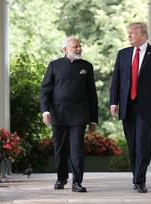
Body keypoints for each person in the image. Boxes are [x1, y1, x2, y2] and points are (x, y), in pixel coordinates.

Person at [110, 22, 151, 193]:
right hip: (127, 106)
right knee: (132, 144)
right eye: (128, 33)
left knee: (142, 142)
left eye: (132, 33)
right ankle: (136, 175)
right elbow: (116, 81)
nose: (129, 36)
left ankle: (139, 180)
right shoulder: (123, 54)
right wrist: (114, 103)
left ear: (143, 35)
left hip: (147, 106)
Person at [40, 36, 98, 192]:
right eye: (75, 46)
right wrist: (45, 111)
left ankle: (77, 182)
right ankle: (61, 178)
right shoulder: (54, 66)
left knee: (77, 149)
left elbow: (92, 94)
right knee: (60, 149)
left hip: (79, 115)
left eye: (80, 46)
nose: (79, 48)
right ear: (65, 50)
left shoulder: (87, 66)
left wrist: (93, 119)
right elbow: (45, 90)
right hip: (58, 114)